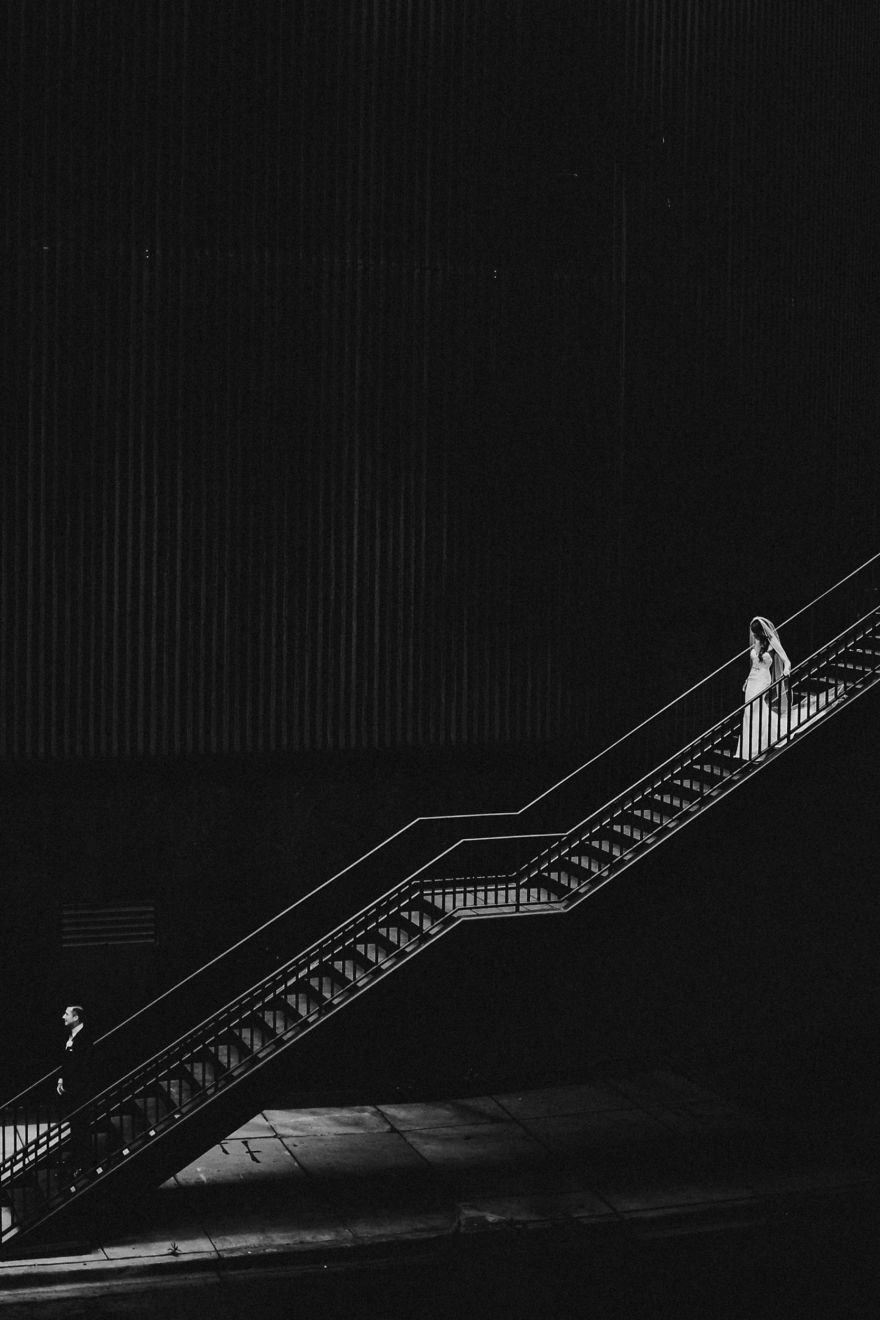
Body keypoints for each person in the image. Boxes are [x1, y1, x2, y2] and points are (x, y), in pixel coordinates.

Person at [736, 617, 792, 758]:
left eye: (754, 633)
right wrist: (747, 680)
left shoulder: (772, 641)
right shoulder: (757, 641)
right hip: (753, 679)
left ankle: (764, 742)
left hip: (763, 679)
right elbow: (755, 663)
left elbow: (786, 660)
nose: (752, 635)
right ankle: (749, 748)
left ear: (760, 631)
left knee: (757, 706)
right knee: (749, 710)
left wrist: (786, 669)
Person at [57, 1004, 94, 1176]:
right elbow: (67, 1061)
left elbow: (85, 1066)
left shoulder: (85, 1037)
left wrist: (73, 1084)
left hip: (81, 1090)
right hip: (71, 1089)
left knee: (82, 1125)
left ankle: (84, 1162)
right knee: (74, 1123)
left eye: (66, 1014)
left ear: (76, 1017)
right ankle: (76, 1156)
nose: (63, 1017)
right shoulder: (70, 1036)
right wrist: (61, 1078)